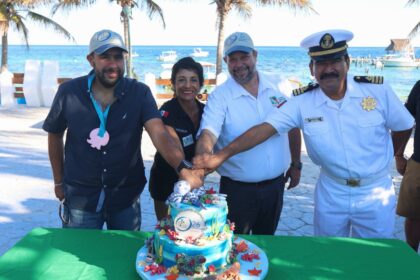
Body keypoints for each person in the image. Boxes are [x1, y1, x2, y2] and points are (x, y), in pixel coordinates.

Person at [193, 29, 414, 238]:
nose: (328, 69)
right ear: (311, 68)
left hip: (374, 191)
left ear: (347, 62)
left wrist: (392, 155)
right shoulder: (302, 101)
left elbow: (404, 124)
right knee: (328, 251)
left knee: (373, 256)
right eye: (320, 63)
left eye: (335, 61)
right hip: (331, 190)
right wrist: (217, 157)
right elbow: (263, 130)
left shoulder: (377, 90)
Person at [43, 29, 203, 230]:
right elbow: (55, 135)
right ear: (91, 59)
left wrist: (182, 168)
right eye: (105, 57)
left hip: (125, 198)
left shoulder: (140, 93)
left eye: (118, 57)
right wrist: (58, 181)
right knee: (79, 254)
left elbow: (159, 134)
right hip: (80, 198)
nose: (113, 64)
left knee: (125, 257)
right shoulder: (69, 92)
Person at [194, 31, 302, 235]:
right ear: (226, 60)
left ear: (255, 55)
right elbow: (209, 131)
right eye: (233, 59)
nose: (239, 64)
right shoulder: (220, 96)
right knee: (234, 247)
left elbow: (293, 126)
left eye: (244, 57)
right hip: (237, 191)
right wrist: (203, 156)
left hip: (275, 187)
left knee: (267, 242)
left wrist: (296, 163)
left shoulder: (280, 85)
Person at [149, 57, 205, 220]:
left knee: (194, 229)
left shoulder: (206, 111)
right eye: (181, 80)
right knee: (167, 230)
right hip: (165, 182)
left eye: (193, 80)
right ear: (173, 84)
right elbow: (174, 147)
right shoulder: (167, 111)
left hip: (195, 180)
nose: (188, 85)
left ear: (200, 84)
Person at [395, 80, 420, 252]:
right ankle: (411, 256)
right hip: (418, 163)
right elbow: (405, 120)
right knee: (412, 216)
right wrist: (398, 154)